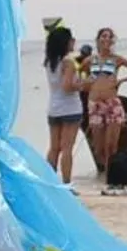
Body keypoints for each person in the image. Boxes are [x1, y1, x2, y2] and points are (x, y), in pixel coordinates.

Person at [80, 26, 127, 176]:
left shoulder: (117, 59)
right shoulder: (90, 60)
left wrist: (121, 80)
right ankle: (108, 173)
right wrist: (85, 84)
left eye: (109, 37)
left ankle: (111, 179)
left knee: (111, 147)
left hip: (112, 104)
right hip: (95, 105)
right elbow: (78, 75)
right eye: (103, 36)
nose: (106, 39)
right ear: (98, 40)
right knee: (98, 147)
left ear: (112, 41)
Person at [42, 22, 84, 181]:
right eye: (71, 39)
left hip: (54, 107)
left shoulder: (50, 62)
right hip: (70, 108)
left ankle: (50, 179)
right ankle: (66, 183)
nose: (73, 42)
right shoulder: (68, 62)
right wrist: (81, 85)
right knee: (67, 148)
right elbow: (67, 86)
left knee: (54, 148)